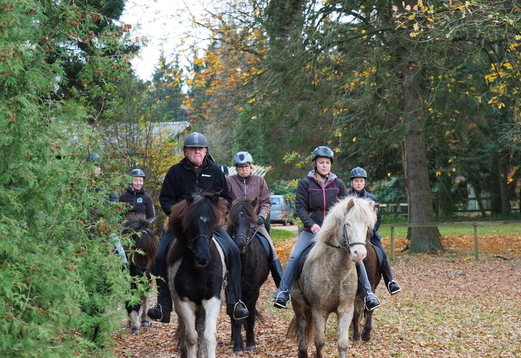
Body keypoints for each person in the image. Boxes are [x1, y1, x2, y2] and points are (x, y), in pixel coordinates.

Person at [147, 132, 249, 323]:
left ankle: (235, 301)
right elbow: (165, 199)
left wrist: (218, 217)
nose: (196, 152)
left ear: (205, 151)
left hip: (209, 226)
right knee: (160, 255)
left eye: (200, 149)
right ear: (185, 151)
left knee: (234, 250)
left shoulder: (216, 172)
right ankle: (163, 305)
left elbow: (226, 198)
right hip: (181, 227)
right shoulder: (175, 172)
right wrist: (178, 215)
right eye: (192, 149)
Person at [272, 146, 381, 311]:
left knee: (356, 256)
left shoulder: (338, 183)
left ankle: (368, 293)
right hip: (312, 231)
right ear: (315, 164)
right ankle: (283, 291)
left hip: (334, 233)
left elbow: (347, 207)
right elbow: (300, 207)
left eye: (327, 162)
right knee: (295, 256)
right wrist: (311, 224)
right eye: (321, 162)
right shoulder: (305, 183)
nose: (324, 165)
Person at [226, 151, 284, 287]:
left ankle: (281, 285)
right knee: (220, 244)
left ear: (250, 167)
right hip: (235, 225)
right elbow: (225, 202)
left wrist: (261, 216)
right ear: (236, 168)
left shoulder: (259, 181)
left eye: (246, 167)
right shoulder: (230, 181)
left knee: (271, 249)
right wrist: (229, 216)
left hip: (255, 224)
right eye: (240, 167)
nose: (243, 170)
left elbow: (266, 202)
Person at [347, 167, 402, 295]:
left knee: (382, 254)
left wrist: (371, 231)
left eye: (361, 181)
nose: (358, 183)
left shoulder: (370, 198)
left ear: (364, 183)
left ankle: (390, 281)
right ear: (352, 183)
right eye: (356, 181)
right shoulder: (347, 198)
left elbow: (378, 218)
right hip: (352, 236)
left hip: (369, 234)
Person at [86, 153, 128, 264]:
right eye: (94, 166)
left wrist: (105, 217)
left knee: (121, 253)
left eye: (98, 166)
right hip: (85, 225)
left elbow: (114, 205)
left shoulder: (108, 185)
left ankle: (124, 273)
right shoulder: (83, 186)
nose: (97, 168)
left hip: (105, 225)